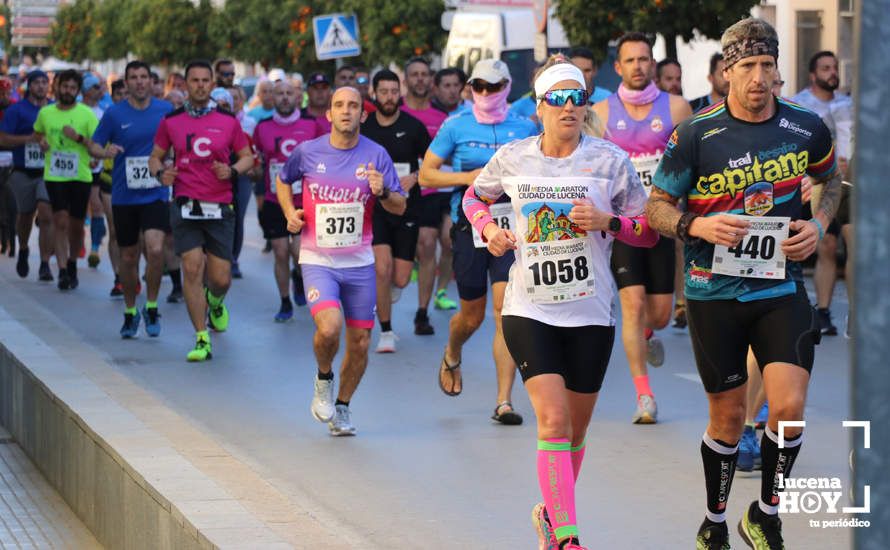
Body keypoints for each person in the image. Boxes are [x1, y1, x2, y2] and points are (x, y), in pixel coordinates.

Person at [645, 18, 841, 549]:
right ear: (727, 70)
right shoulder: (696, 135)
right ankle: (714, 520)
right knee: (728, 418)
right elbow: (656, 207)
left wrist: (818, 224)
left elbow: (830, 181)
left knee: (789, 409)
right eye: (748, 66)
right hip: (713, 294)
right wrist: (696, 225)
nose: (759, 77)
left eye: (767, 66)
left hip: (780, 287)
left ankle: (766, 514)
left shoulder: (806, 127)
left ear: (779, 70)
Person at [463, 58, 658, 550]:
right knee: (552, 420)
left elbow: (648, 230)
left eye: (578, 98)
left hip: (591, 311)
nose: (570, 108)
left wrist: (608, 222)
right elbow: (474, 197)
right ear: (541, 107)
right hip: (530, 308)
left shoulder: (611, 162)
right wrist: (488, 230)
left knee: (575, 430)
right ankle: (568, 538)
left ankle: (551, 513)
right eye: (560, 99)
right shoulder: (513, 157)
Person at [277, 87, 406, 436]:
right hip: (318, 258)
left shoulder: (377, 156)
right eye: (339, 105)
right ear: (329, 114)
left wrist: (382, 192)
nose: (346, 111)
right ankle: (323, 379)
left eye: (353, 106)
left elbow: (400, 205)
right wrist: (290, 212)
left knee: (361, 342)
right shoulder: (307, 152)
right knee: (330, 327)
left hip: (360, 262)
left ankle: (343, 407)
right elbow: (282, 180)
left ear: (363, 115)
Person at [419, 58, 538, 424]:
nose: (485, 93)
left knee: (505, 311)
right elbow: (426, 174)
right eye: (479, 87)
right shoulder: (456, 125)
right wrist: (468, 177)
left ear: (506, 86)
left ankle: (504, 401)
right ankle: (453, 350)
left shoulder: (525, 126)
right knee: (470, 316)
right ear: (472, 88)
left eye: (493, 87)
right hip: (470, 226)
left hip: (512, 229)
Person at [592, 32, 693, 424]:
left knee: (659, 315)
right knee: (631, 305)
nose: (637, 66)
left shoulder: (678, 108)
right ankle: (644, 396)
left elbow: (691, 163)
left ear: (653, 64)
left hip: (662, 224)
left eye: (643, 59)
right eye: (630, 60)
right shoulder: (601, 112)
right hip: (623, 226)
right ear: (618, 67)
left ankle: (650, 334)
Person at [149, 60, 254, 361]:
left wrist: (232, 170)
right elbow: (155, 157)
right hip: (185, 204)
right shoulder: (172, 121)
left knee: (220, 278)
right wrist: (161, 174)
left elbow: (248, 157)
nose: (199, 85)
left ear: (211, 84)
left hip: (220, 205)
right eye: (193, 80)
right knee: (192, 269)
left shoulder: (228, 121)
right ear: (185, 84)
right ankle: (201, 338)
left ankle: (216, 302)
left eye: (204, 80)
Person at [88, 61, 174, 338]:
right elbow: (94, 144)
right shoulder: (114, 114)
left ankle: (150, 306)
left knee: (156, 249)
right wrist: (104, 152)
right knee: (128, 256)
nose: (139, 82)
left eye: (143, 77)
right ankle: (129, 311)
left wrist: (172, 161)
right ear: (126, 83)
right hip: (125, 195)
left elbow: (179, 141)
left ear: (151, 81)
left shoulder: (165, 110)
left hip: (155, 192)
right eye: (133, 77)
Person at [361, 69, 431, 353]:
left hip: (406, 208)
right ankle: (386, 332)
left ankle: (385, 296)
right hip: (374, 209)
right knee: (381, 268)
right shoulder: (364, 130)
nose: (389, 97)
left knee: (400, 278)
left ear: (399, 93)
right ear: (373, 93)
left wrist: (415, 176)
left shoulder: (413, 127)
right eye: (384, 91)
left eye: (393, 91)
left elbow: (433, 161)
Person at [791, 50, 851, 336]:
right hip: (817, 183)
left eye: (835, 67)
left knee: (855, 247)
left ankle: (857, 311)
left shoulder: (848, 104)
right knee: (825, 245)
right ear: (813, 75)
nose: (832, 72)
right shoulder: (800, 105)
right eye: (826, 68)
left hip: (850, 183)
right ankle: (824, 311)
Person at [253, 80, 321, 321]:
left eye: (288, 93)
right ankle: (285, 302)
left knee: (299, 253)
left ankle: (300, 278)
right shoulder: (262, 128)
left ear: (297, 97)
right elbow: (257, 161)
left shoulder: (311, 125)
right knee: (281, 252)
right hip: (275, 199)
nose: (283, 98)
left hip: (305, 201)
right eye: (278, 93)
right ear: (271, 96)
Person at [405, 57, 458, 332]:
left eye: (425, 74)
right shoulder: (399, 114)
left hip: (446, 188)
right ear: (407, 80)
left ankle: (433, 299)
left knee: (449, 241)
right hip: (416, 191)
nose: (420, 79)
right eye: (415, 75)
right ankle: (421, 307)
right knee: (425, 244)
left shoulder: (445, 119)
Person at [33, 69, 99, 290]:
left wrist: (79, 138)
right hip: (55, 174)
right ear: (57, 87)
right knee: (59, 219)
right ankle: (61, 269)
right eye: (64, 86)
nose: (68, 91)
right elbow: (39, 134)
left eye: (72, 88)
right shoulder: (46, 113)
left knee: (76, 225)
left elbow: (97, 143)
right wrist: (42, 143)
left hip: (80, 175)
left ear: (78, 91)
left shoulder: (86, 114)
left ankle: (72, 262)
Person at [0, 69, 54, 281]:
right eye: (37, 82)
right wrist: (29, 139)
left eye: (44, 82)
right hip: (22, 170)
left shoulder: (54, 109)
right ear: (29, 86)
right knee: (25, 215)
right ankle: (23, 248)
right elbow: (3, 139)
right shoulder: (17, 110)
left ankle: (44, 264)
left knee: (46, 212)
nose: (41, 86)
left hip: (48, 171)